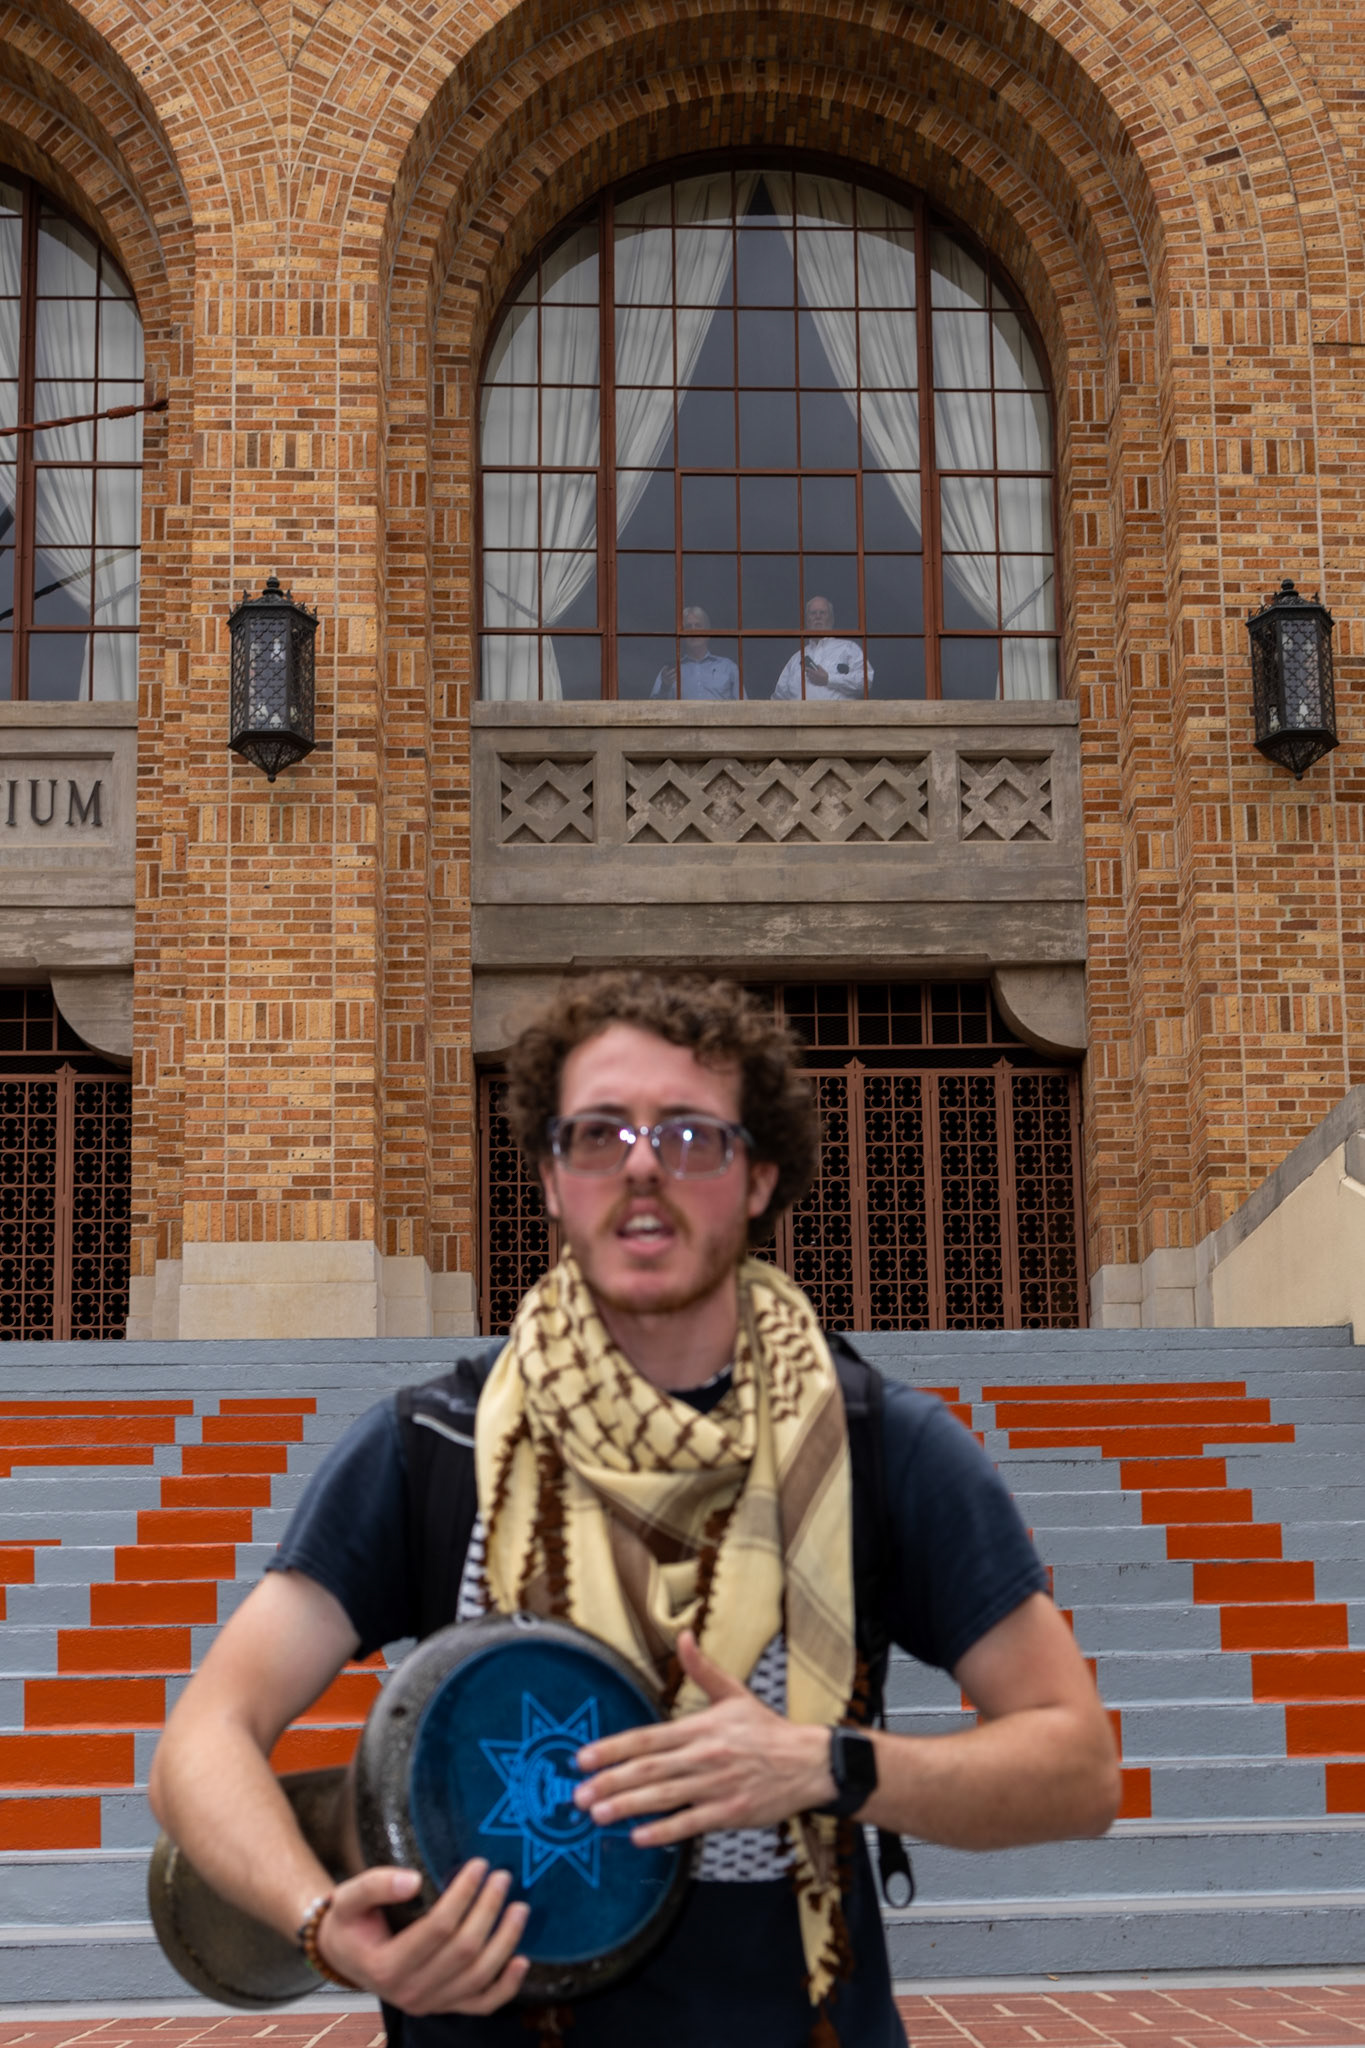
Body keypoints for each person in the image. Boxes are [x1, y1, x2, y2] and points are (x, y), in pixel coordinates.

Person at [149, 973, 1119, 2048]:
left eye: (694, 1135)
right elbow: (206, 1732)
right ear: (553, 1179)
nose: (644, 1164)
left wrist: (825, 1763)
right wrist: (324, 1920)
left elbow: (1077, 1766)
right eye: (598, 1134)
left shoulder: (880, 1446)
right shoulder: (435, 1445)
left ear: (759, 1177)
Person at [773, 596, 871, 700]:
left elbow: (866, 680)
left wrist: (829, 679)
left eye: (823, 613)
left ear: (831, 619)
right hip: (800, 716)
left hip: (839, 715)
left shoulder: (848, 649)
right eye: (813, 613)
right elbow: (778, 698)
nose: (818, 616)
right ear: (807, 621)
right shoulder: (796, 659)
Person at [651, 606, 739, 700]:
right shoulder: (669, 672)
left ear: (708, 633)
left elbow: (745, 708)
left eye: (698, 625)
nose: (693, 630)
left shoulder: (728, 668)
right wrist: (665, 687)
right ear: (682, 636)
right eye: (688, 626)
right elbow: (651, 709)